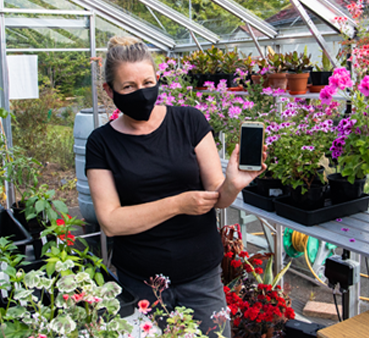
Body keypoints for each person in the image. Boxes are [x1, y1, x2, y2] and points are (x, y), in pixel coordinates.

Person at [86, 36, 265, 337]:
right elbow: (111, 221)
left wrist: (233, 185)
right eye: (129, 87)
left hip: (202, 279)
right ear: (109, 90)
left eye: (148, 82)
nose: (141, 93)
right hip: (140, 281)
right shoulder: (101, 143)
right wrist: (178, 204)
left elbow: (217, 197)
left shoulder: (189, 122)